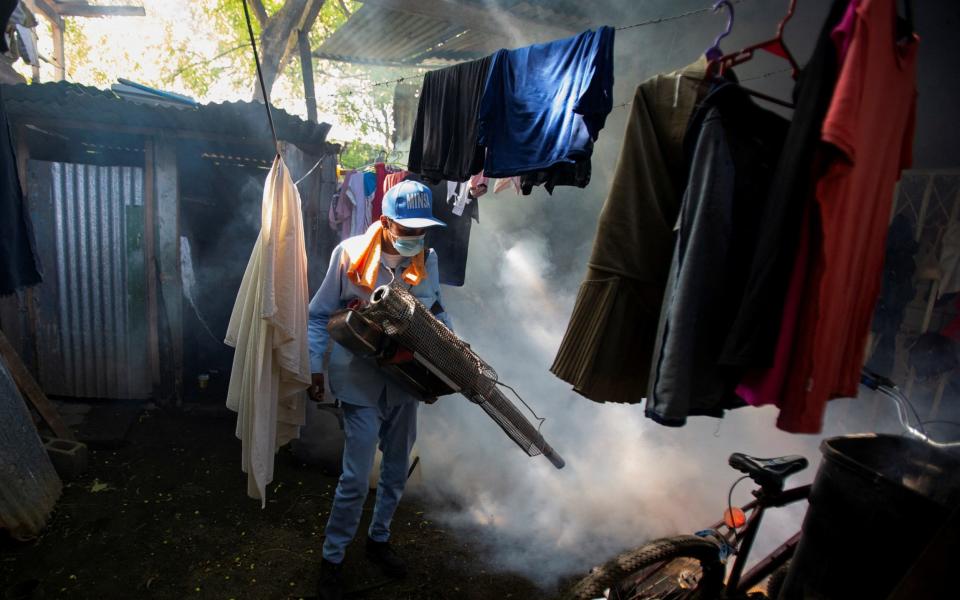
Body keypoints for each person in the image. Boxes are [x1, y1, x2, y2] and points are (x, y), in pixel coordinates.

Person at [307, 180, 451, 600]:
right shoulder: (349, 254)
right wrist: (315, 366)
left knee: (394, 471)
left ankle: (379, 539)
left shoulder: (428, 257)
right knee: (355, 477)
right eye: (408, 230)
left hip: (406, 380)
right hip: (358, 377)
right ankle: (332, 558)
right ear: (386, 222)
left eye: (422, 230)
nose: (415, 238)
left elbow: (438, 311)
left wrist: (448, 363)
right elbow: (319, 316)